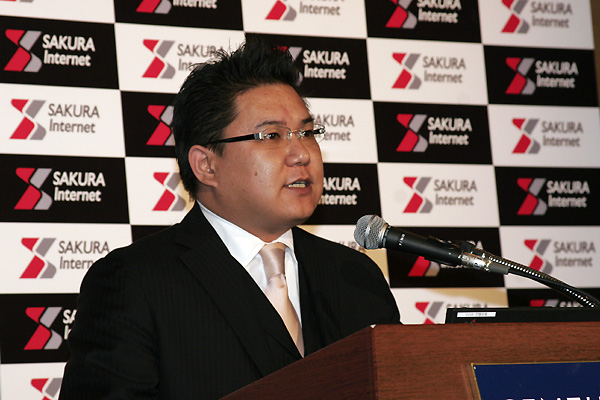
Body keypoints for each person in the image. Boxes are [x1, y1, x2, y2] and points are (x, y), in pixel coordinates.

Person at [59, 35, 400, 400]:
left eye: (307, 132)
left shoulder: (356, 276)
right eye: (272, 135)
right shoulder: (136, 282)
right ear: (206, 165)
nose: (301, 153)